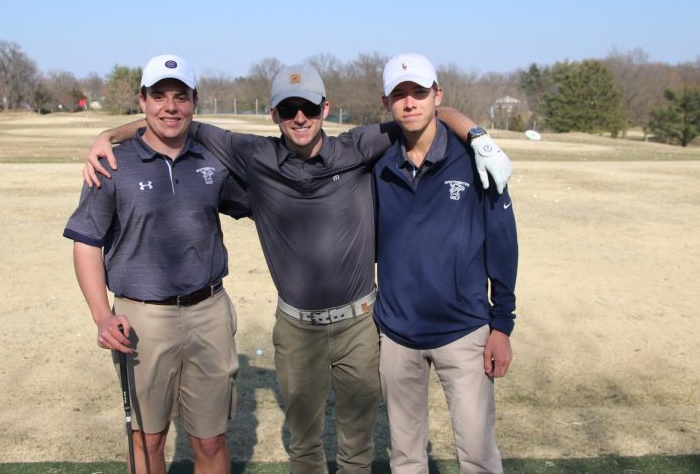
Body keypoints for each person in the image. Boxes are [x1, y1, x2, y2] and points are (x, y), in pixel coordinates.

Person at [83, 64, 513, 474]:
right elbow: (177, 123)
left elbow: (424, 111)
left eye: (309, 107)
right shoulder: (254, 155)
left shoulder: (359, 146)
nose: (300, 117)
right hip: (296, 328)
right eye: (289, 109)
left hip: (360, 325)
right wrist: (108, 134)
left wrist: (477, 135)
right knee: (304, 444)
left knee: (358, 445)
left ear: (326, 108)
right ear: (274, 114)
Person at [63, 54, 250, 474]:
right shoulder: (112, 164)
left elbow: (265, 204)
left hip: (209, 312)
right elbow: (86, 243)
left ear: (194, 102)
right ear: (142, 101)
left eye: (180, 97)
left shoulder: (212, 160)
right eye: (159, 96)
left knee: (211, 438)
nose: (170, 107)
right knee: (148, 439)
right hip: (142, 317)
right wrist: (100, 317)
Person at [373, 53, 518, 474]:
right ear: (386, 103)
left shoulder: (474, 158)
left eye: (419, 92)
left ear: (438, 94)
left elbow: (503, 244)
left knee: (477, 455)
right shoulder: (377, 159)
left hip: (465, 332)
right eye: (399, 95)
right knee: (406, 459)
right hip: (397, 336)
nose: (410, 103)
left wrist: (502, 324)